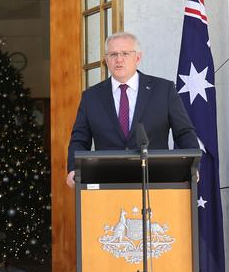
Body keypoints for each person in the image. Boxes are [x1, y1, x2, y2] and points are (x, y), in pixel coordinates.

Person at [66, 32, 198, 187]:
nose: (119, 59)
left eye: (125, 53)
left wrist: (193, 167)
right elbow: (79, 140)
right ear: (106, 60)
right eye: (113, 54)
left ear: (138, 58)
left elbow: (184, 133)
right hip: (107, 184)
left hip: (156, 182)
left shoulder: (164, 90)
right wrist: (74, 170)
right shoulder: (91, 97)